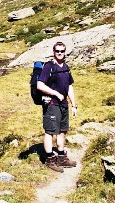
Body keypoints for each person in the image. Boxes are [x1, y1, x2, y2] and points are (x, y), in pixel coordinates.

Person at [36, 41, 77, 172]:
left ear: (65, 52)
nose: (60, 53)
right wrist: (56, 93)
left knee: (62, 131)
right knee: (50, 131)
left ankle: (61, 157)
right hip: (52, 104)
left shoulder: (65, 67)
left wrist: (74, 105)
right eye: (57, 51)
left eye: (62, 51)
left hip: (64, 105)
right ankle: (49, 159)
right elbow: (39, 85)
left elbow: (70, 86)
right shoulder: (49, 66)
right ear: (53, 52)